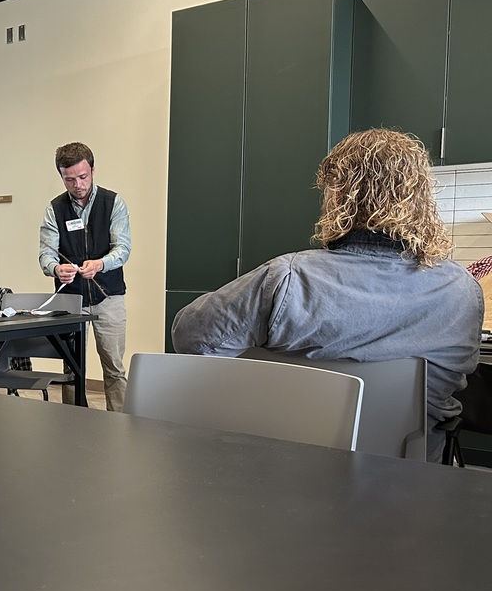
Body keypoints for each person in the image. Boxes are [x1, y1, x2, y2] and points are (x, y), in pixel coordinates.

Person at [171, 128, 483, 462]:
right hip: (413, 481)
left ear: (338, 195)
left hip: (288, 472)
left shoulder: (287, 279)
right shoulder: (462, 291)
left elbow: (191, 338)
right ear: (422, 200)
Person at [39, 142, 131, 411]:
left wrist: (100, 264)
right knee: (72, 369)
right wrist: (56, 269)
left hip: (108, 296)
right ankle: (73, 424)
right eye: (69, 179)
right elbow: (46, 255)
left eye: (82, 177)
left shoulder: (113, 203)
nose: (77, 184)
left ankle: (120, 424)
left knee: (114, 367)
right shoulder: (54, 209)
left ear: (92, 170)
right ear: (61, 176)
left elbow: (123, 249)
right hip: (71, 301)